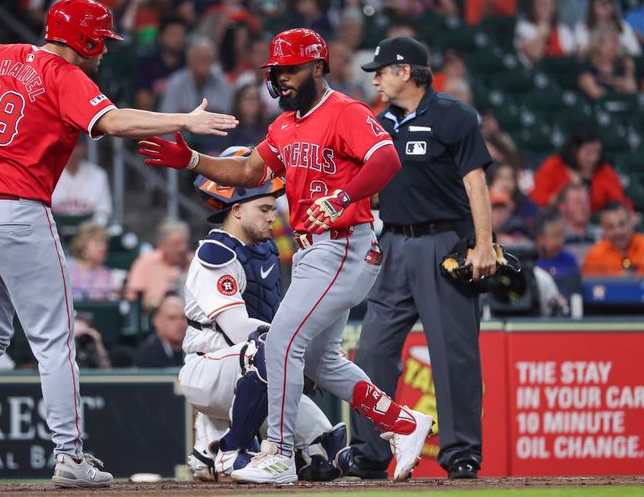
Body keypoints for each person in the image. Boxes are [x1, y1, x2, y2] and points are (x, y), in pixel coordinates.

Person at [0, 0, 237, 490]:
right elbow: (114, 122)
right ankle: (70, 455)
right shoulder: (67, 76)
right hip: (17, 211)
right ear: (84, 39)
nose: (103, 51)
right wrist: (182, 120)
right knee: (54, 341)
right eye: (100, 41)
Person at [138, 27, 433, 484]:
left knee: (282, 343)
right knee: (321, 359)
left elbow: (386, 159)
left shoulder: (344, 111)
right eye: (276, 72)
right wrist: (193, 160)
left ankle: (277, 452)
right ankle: (403, 422)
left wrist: (340, 197)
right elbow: (247, 170)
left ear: (317, 66)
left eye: (290, 70)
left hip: (343, 242)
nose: (281, 80)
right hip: (317, 249)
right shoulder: (286, 124)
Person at [351, 36, 497, 480]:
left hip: (443, 243)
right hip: (392, 244)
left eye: (381, 70)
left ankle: (461, 453)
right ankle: (370, 451)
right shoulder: (379, 123)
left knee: (454, 355)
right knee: (372, 350)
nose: (375, 78)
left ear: (406, 72)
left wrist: (484, 243)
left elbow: (476, 184)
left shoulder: (454, 116)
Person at [181, 147, 350, 483]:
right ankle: (228, 447)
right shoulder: (215, 253)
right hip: (209, 367)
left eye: (274, 208)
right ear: (238, 209)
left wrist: (310, 347)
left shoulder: (267, 250)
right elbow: (239, 328)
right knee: (265, 349)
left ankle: (211, 447)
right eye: (265, 208)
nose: (274, 216)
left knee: (325, 453)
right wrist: (296, 345)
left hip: (255, 368)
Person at [530, 125, 632, 214]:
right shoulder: (554, 165)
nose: (593, 158)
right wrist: (561, 200)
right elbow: (537, 198)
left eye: (596, 152)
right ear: (575, 150)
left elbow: (619, 201)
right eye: (588, 153)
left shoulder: (605, 170)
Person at [125, 218, 192, 311]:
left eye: (185, 242)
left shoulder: (195, 262)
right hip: (153, 319)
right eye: (176, 244)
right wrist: (158, 302)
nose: (182, 248)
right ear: (162, 244)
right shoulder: (146, 263)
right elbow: (133, 299)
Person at [51, 135, 113, 222]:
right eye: (70, 145)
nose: (75, 150)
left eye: (78, 145)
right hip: (56, 231)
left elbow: (103, 212)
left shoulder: (98, 174)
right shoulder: (50, 173)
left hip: (88, 232)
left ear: (85, 147)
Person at [67, 222, 125, 301]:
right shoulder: (65, 271)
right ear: (82, 244)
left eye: (105, 242)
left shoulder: (111, 276)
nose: (104, 247)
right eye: (97, 242)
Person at [582, 202, 644, 276]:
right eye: (610, 227)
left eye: (622, 224)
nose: (618, 232)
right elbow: (589, 286)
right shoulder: (595, 255)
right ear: (603, 229)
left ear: (630, 222)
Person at [133, 293, 187, 367]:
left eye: (183, 318)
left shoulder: (197, 352)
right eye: (172, 318)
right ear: (157, 320)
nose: (179, 323)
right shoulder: (146, 357)